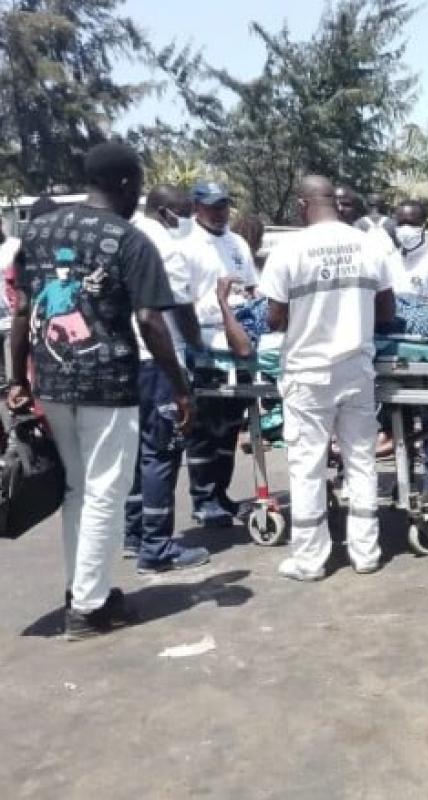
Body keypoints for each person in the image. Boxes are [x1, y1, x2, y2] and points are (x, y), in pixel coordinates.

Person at [7, 141, 193, 640]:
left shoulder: (38, 230)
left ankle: (84, 587)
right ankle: (88, 608)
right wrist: (181, 388)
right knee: (105, 490)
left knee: (78, 490)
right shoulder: (130, 240)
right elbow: (151, 322)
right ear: (128, 184)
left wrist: (17, 379)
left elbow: (23, 310)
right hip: (107, 385)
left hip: (52, 380)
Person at [258, 175, 395, 582]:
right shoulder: (369, 245)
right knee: (361, 460)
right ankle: (366, 552)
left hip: (308, 371)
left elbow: (275, 318)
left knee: (307, 464)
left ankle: (310, 560)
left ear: (302, 205)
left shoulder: (289, 250)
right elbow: (387, 310)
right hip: (357, 368)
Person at [122, 186, 214, 572]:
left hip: (125, 360)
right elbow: (177, 310)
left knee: (136, 450)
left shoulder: (124, 236)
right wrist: (198, 346)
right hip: (158, 360)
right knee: (161, 451)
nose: (188, 218)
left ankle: (134, 533)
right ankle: (156, 547)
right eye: (182, 211)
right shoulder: (164, 247)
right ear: (164, 212)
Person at [181, 180, 260, 527]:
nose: (220, 213)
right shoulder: (186, 246)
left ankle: (221, 494)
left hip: (238, 333)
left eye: (224, 205)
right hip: (206, 338)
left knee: (229, 425)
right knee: (204, 428)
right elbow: (181, 303)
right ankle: (202, 498)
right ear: (197, 208)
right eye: (213, 207)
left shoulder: (237, 243)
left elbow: (253, 285)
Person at [390, 199, 428, 302]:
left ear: (424, 226)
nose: (405, 228)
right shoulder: (390, 261)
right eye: (401, 224)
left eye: (411, 223)